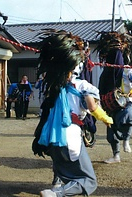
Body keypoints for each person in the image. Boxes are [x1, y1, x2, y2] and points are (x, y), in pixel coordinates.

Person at [32, 31, 113, 197]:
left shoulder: (53, 87)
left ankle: (56, 184)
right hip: (70, 135)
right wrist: (106, 118)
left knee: (64, 167)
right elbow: (92, 106)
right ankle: (57, 193)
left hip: (51, 136)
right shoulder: (83, 85)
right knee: (89, 180)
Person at [96, 32, 132, 164]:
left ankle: (126, 140)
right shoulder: (106, 72)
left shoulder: (128, 70)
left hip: (128, 101)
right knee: (111, 127)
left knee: (128, 115)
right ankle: (116, 155)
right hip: (113, 102)